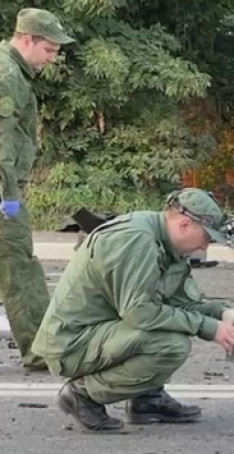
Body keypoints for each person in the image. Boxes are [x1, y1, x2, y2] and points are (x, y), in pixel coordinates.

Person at [32, 188, 234, 432]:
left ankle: (147, 399)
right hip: (71, 344)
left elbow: (181, 302)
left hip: (101, 333)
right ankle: (82, 395)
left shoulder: (168, 244)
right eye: (206, 237)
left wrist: (223, 314)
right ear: (185, 224)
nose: (204, 247)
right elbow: (140, 312)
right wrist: (208, 328)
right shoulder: (137, 240)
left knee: (171, 327)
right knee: (170, 345)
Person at [0, 8, 75, 370]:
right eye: (49, 50)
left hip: (7, 189)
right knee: (18, 261)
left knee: (15, 261)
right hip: (3, 194)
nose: (52, 59)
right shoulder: (6, 75)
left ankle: (40, 347)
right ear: (28, 39)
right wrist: (4, 197)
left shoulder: (10, 70)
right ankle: (40, 350)